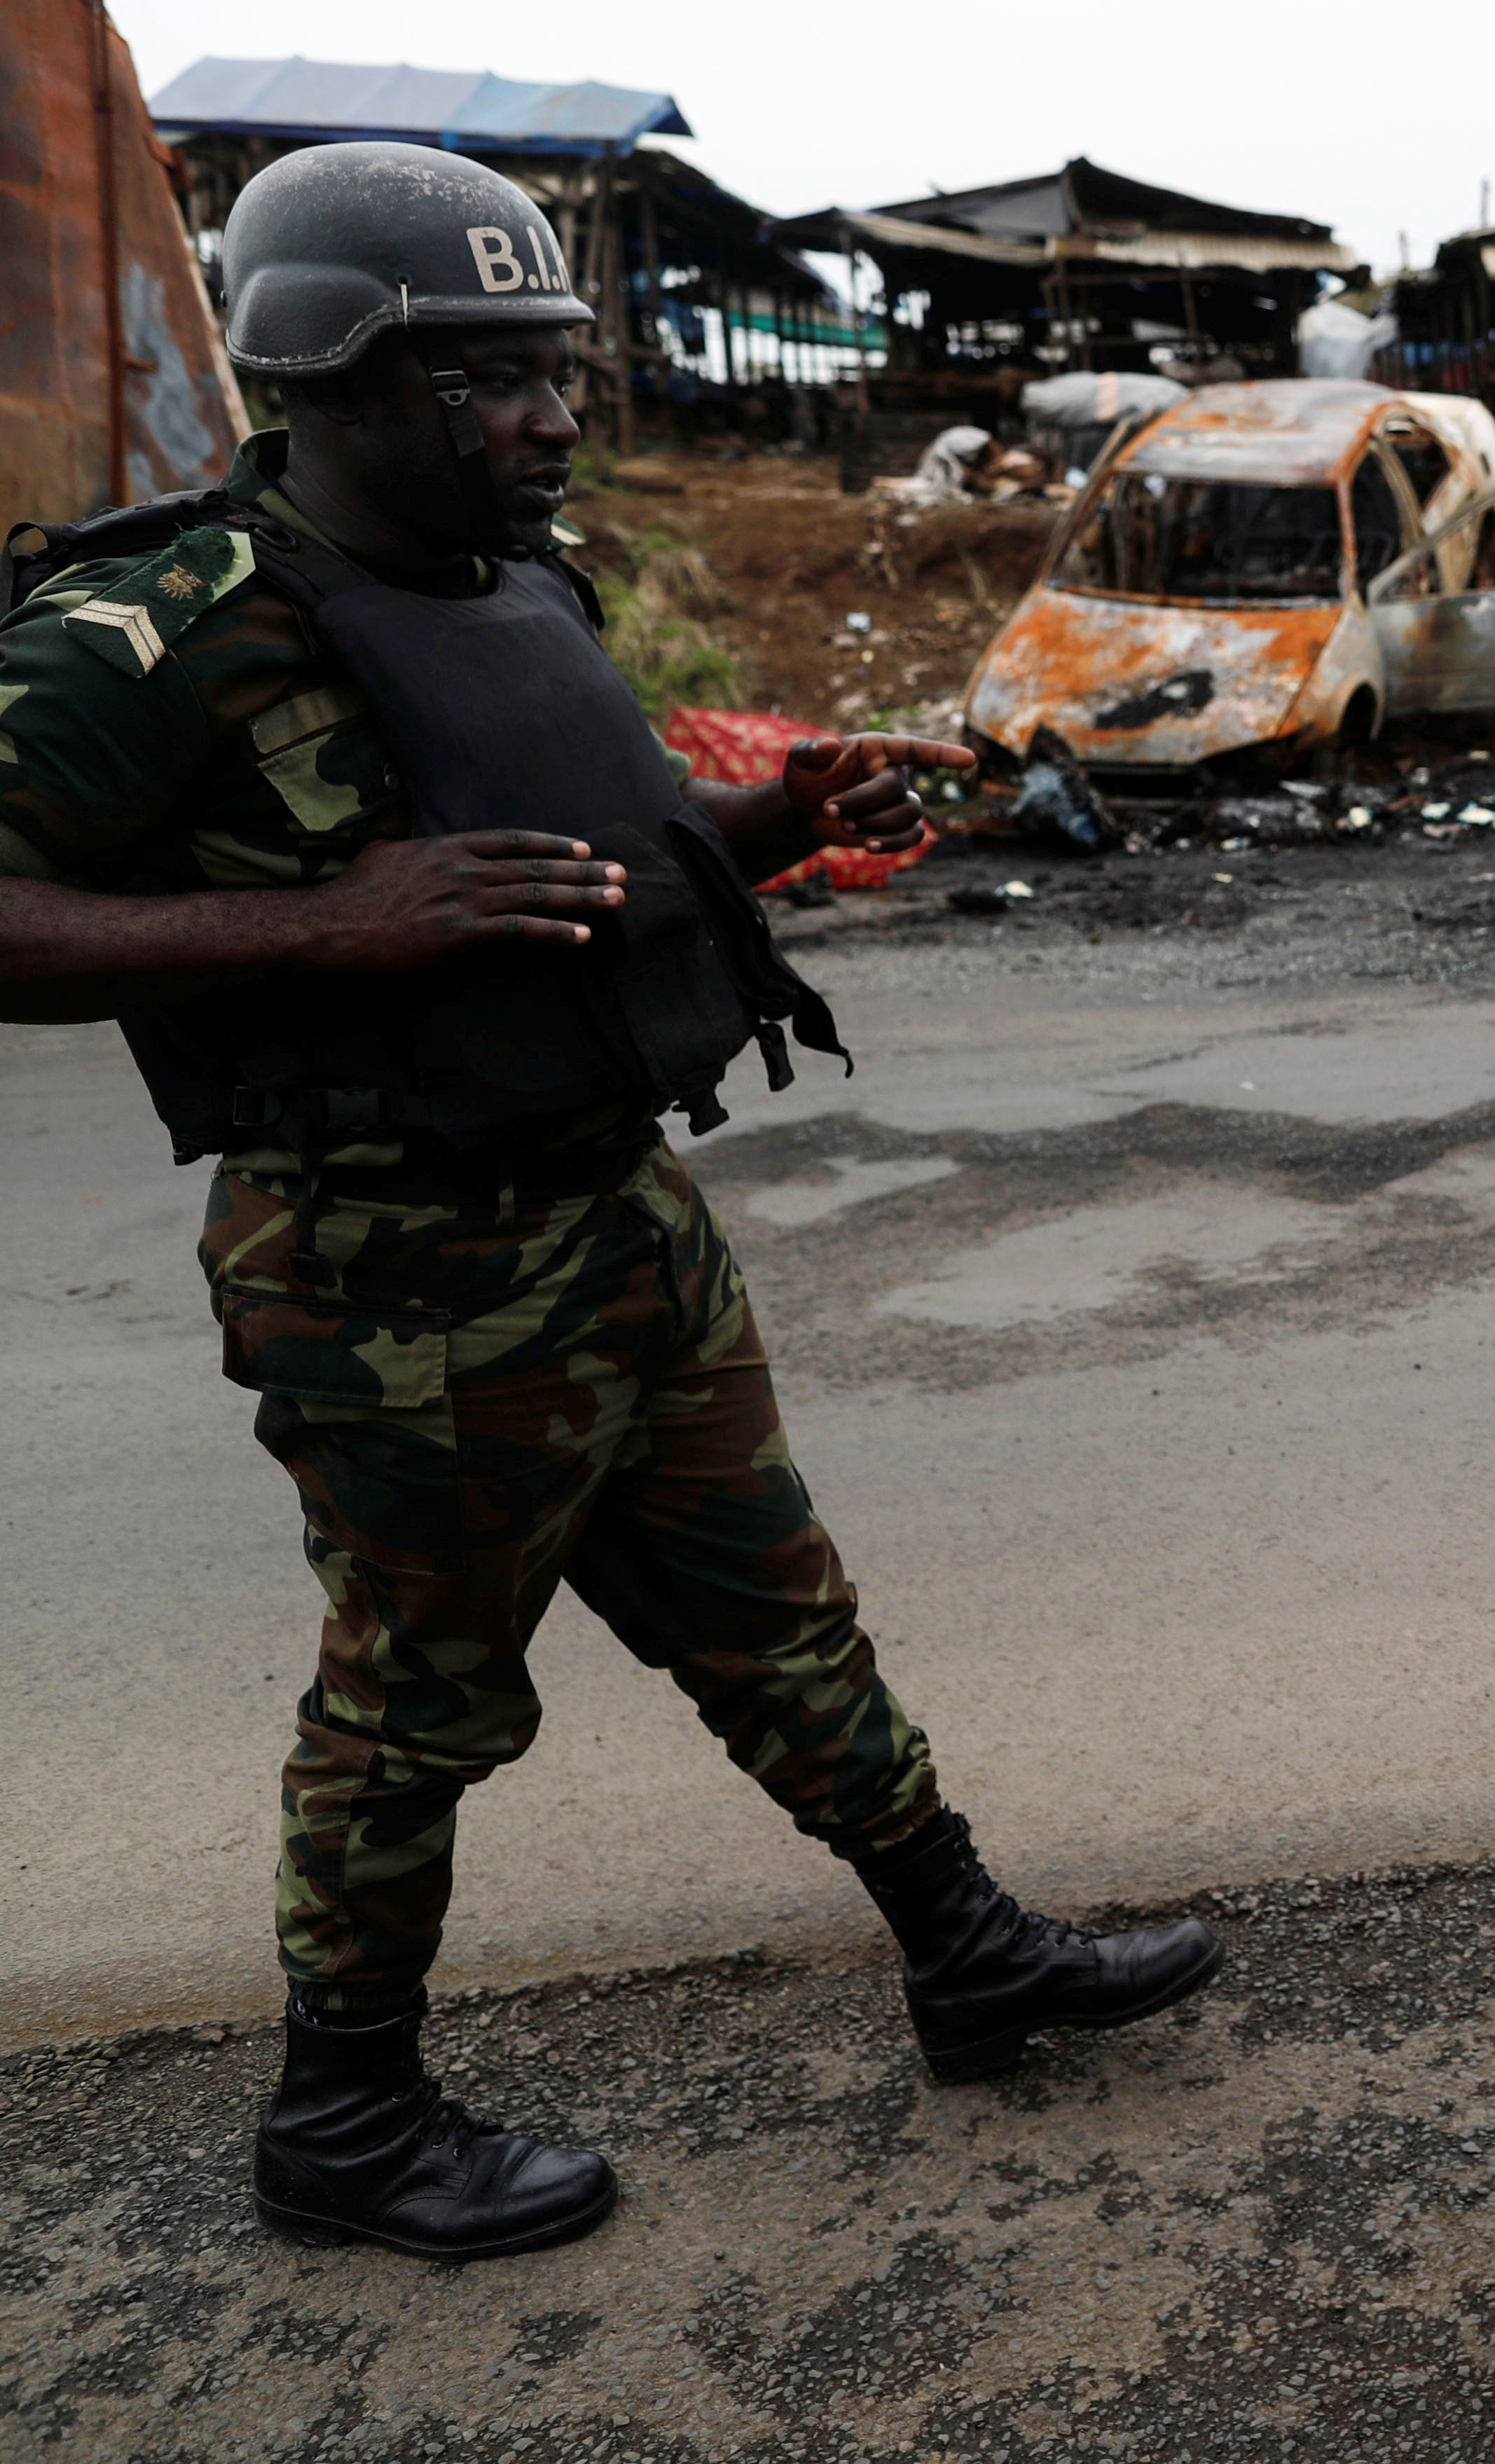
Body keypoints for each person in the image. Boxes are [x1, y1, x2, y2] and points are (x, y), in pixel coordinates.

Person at [0, 143, 1220, 2264]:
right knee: (419, 1699)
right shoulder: (157, 627)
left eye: (557, 365)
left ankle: (967, 1948)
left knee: (776, 1606)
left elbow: (567, 869)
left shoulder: (520, 583)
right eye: (493, 376)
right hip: (391, 1271)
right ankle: (346, 2122)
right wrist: (323, 931)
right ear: (337, 385)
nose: (557, 413)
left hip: (613, 1216)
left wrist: (769, 820)